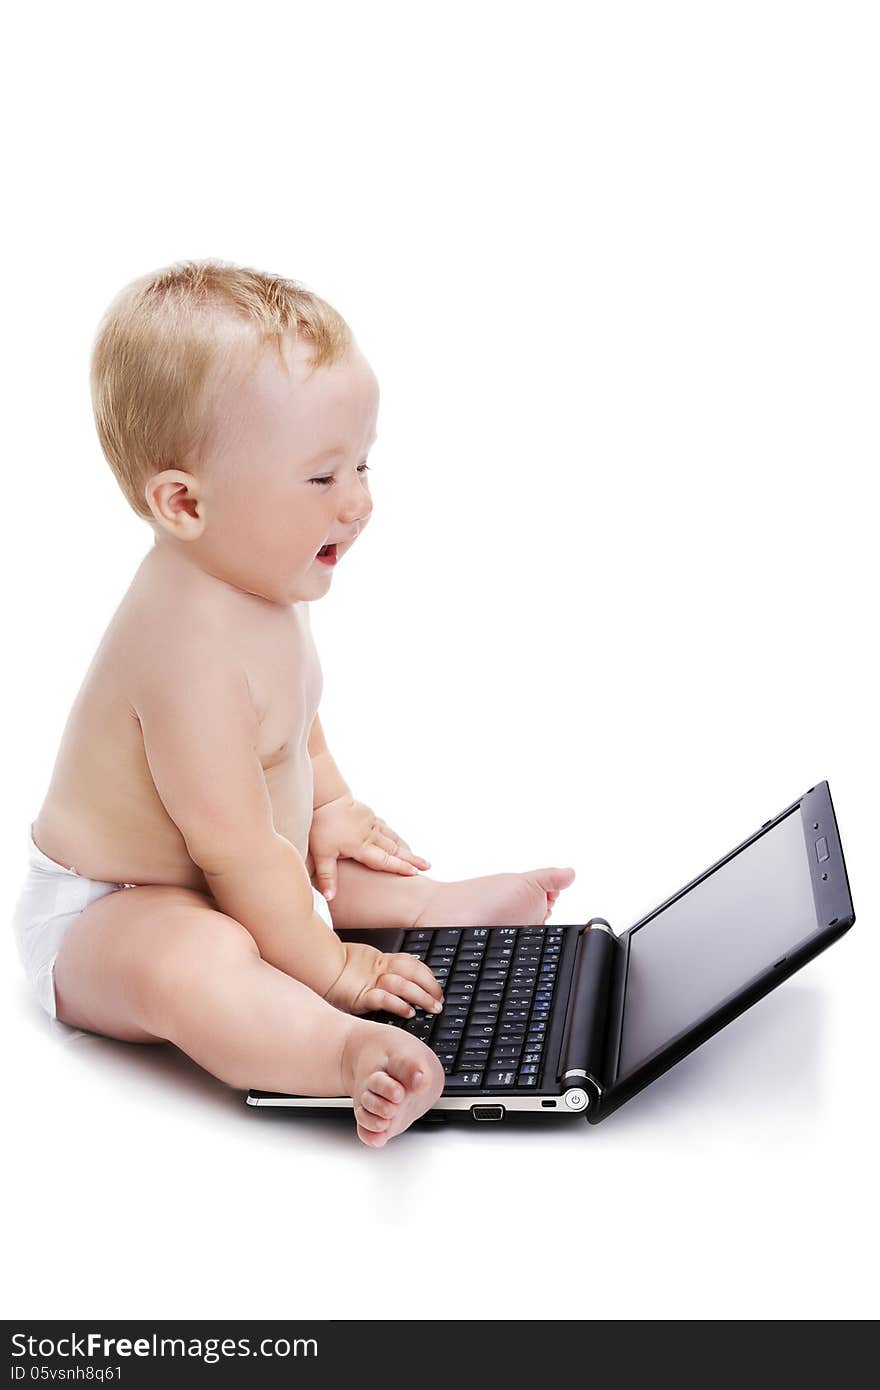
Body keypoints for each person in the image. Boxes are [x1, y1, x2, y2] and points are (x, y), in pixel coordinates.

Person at [12, 260, 575, 1146]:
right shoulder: (183, 646)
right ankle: (339, 1051)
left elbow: (295, 729)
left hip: (233, 868)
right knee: (199, 959)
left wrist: (336, 806)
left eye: (362, 463)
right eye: (321, 479)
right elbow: (232, 847)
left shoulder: (261, 583)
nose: (358, 502)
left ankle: (423, 907)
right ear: (185, 502)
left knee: (318, 863)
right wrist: (333, 967)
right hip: (109, 907)